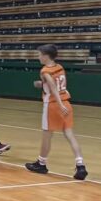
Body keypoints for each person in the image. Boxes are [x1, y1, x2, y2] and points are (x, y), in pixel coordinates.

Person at [25, 44, 88, 180]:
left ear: (46, 56)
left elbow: (53, 87)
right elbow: (55, 84)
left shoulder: (45, 70)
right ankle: (80, 165)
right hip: (66, 103)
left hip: (53, 105)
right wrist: (41, 84)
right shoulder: (59, 67)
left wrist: (59, 104)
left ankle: (41, 163)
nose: (38, 57)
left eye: (39, 55)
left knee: (47, 135)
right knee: (70, 134)